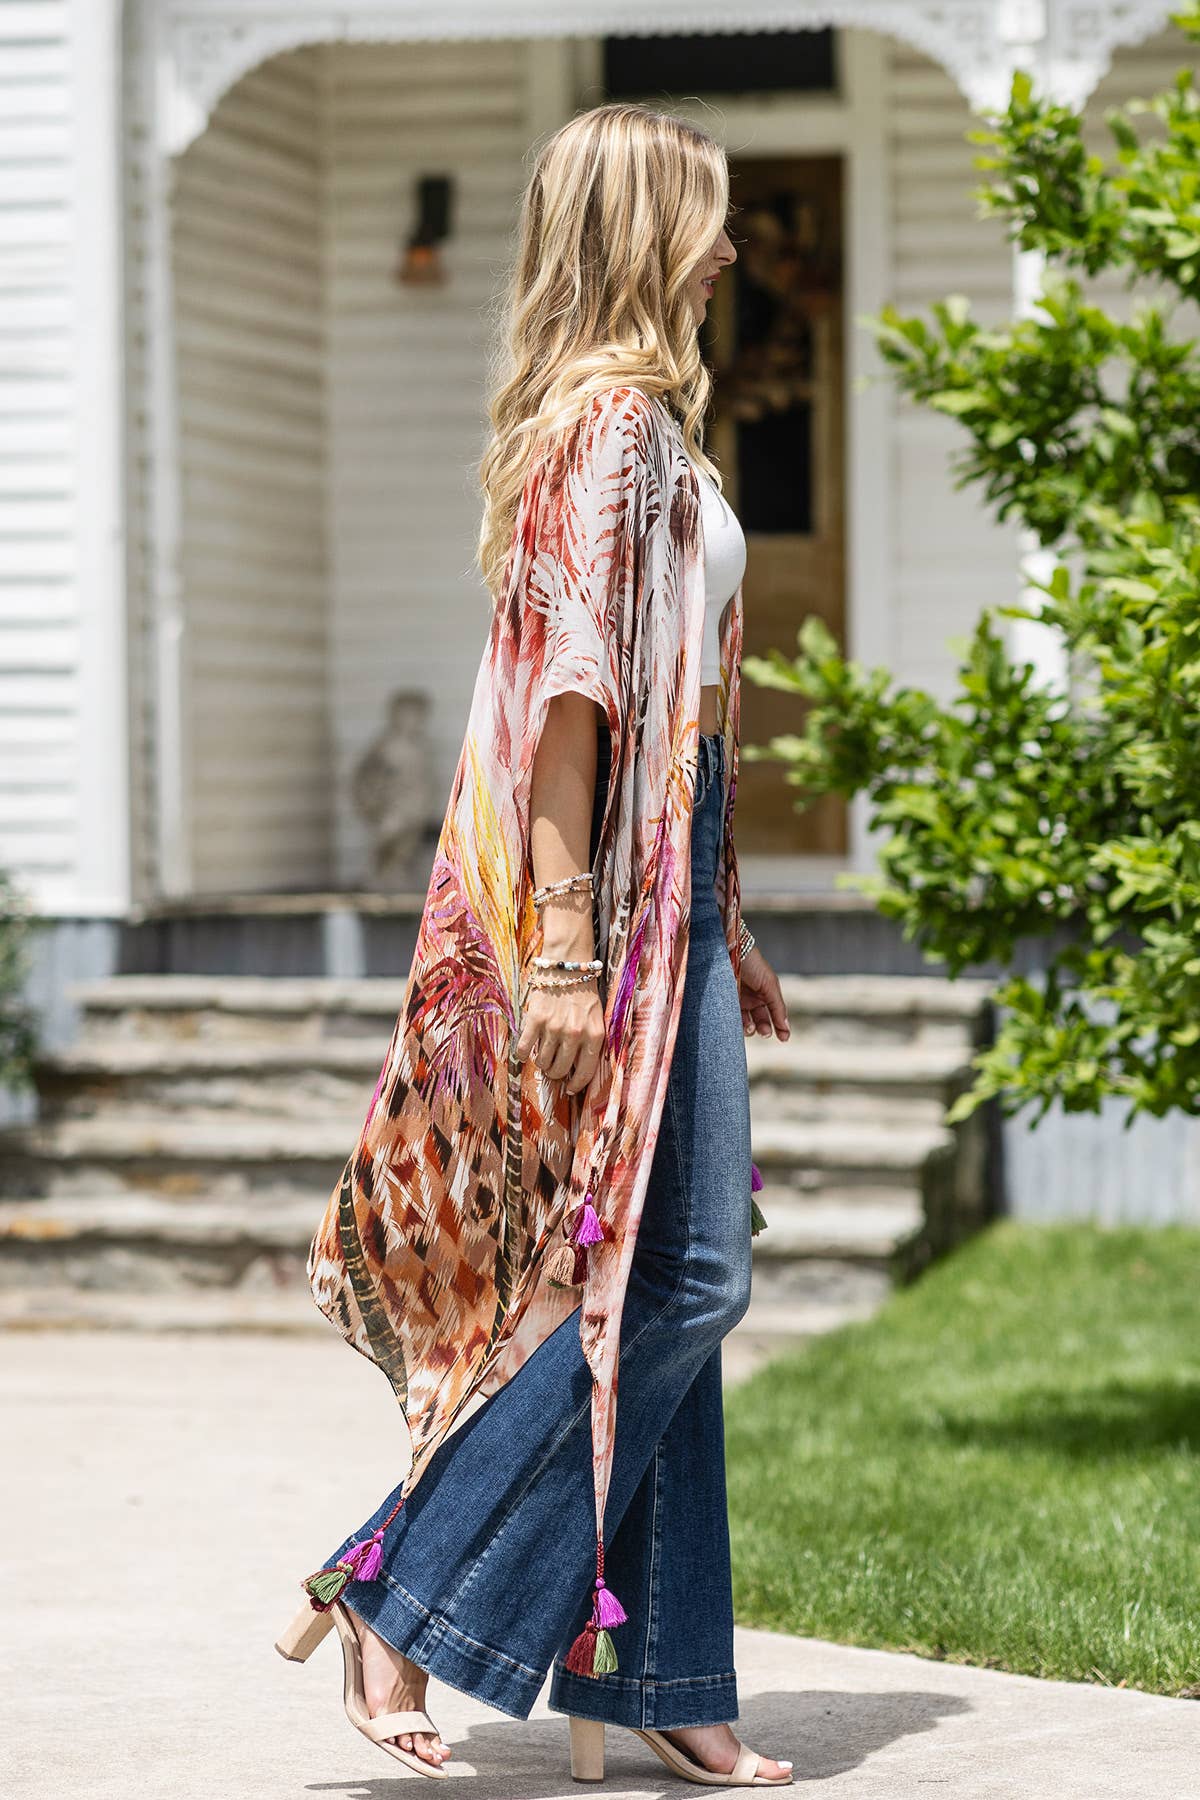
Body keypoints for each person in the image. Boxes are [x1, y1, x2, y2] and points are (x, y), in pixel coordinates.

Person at [276, 101, 793, 1787]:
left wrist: (726, 917)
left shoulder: (648, 433)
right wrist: (567, 955)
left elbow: (685, 716)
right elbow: (569, 717)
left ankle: (665, 1677)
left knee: (666, 1276)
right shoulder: (618, 430)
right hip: (600, 910)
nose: (730, 243)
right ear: (650, 233)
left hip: (669, 889)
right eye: (707, 216)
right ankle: (400, 1591)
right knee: (688, 1274)